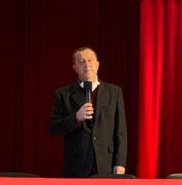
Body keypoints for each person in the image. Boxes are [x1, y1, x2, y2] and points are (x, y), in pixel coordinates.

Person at [49, 47, 127, 177]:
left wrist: (120, 163)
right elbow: (53, 128)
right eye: (81, 61)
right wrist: (76, 118)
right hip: (76, 165)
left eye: (90, 60)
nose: (86, 64)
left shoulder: (114, 92)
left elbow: (121, 131)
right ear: (75, 68)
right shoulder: (63, 94)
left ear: (97, 64)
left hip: (106, 164)